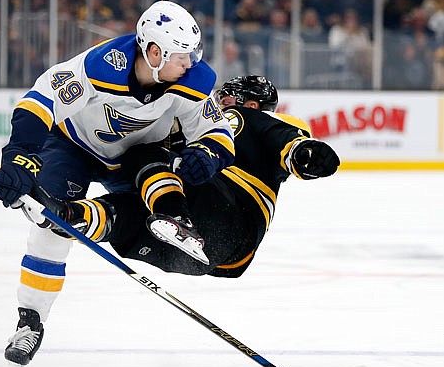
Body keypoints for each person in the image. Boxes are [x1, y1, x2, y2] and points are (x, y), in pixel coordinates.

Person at [0, 1, 235, 367]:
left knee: (159, 168)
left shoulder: (194, 78)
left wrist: (209, 152)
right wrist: (20, 153)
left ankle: (175, 219)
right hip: (73, 147)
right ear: (154, 52)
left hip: (137, 153)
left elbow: (216, 130)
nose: (192, 63)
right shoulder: (101, 65)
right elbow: (41, 99)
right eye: (183, 55)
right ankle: (30, 322)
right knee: (51, 226)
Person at [34, 75, 340, 279]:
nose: (219, 102)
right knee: (125, 211)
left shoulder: (246, 119)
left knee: (146, 155)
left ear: (251, 104)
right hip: (204, 253)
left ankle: (177, 217)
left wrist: (306, 154)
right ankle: (76, 216)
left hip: (232, 216)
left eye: (228, 98)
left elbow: (290, 146)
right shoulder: (198, 127)